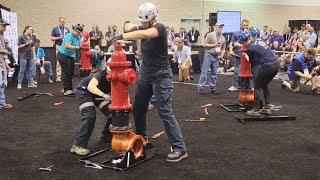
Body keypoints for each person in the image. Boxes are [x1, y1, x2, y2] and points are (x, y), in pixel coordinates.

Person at [110, 2, 187, 162]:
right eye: (141, 21)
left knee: (164, 111)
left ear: (152, 19)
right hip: (145, 74)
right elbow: (129, 25)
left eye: (145, 21)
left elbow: (145, 34)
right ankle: (143, 140)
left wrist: (122, 36)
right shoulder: (141, 27)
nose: (142, 24)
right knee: (138, 109)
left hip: (161, 75)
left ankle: (180, 148)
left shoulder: (159, 29)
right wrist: (127, 25)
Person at [70, 49, 112, 155]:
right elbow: (91, 86)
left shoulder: (118, 78)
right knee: (89, 116)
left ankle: (106, 136)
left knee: (114, 113)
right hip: (85, 91)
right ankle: (78, 145)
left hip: (98, 93)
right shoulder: (101, 74)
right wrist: (104, 95)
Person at [238, 30, 279, 116]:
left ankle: (256, 109)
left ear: (244, 41)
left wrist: (245, 55)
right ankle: (267, 108)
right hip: (275, 65)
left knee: (257, 86)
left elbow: (251, 61)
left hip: (267, 66)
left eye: (243, 43)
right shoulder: (258, 39)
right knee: (264, 85)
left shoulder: (250, 48)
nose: (243, 45)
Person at [198, 23, 226, 94]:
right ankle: (201, 87)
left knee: (214, 73)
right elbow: (204, 44)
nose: (221, 28)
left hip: (216, 56)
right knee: (204, 71)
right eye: (219, 27)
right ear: (215, 27)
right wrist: (214, 45)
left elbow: (223, 48)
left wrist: (221, 56)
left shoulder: (223, 38)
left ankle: (212, 87)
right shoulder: (210, 35)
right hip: (208, 55)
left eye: (221, 27)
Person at [57, 24, 82, 96]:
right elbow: (67, 45)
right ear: (74, 30)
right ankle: (66, 90)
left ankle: (70, 89)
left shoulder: (78, 37)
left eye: (79, 32)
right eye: (77, 32)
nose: (78, 33)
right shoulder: (68, 36)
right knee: (66, 72)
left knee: (71, 73)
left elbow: (80, 45)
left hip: (70, 56)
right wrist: (76, 47)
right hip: (63, 55)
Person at [228, 19, 249, 91]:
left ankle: (247, 86)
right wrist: (230, 50)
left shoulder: (250, 33)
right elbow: (231, 43)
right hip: (237, 54)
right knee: (237, 70)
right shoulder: (236, 33)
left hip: (247, 54)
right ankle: (234, 85)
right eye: (244, 25)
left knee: (248, 71)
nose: (245, 27)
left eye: (246, 25)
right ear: (241, 25)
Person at [51, 17, 70, 82]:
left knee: (67, 62)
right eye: (61, 22)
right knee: (59, 62)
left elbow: (70, 37)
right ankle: (58, 77)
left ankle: (67, 77)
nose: (62, 23)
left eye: (64, 22)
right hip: (59, 46)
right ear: (59, 21)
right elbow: (52, 38)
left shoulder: (67, 29)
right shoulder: (55, 29)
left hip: (66, 47)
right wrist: (59, 37)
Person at [0, 18, 12, 109]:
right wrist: (4, 51)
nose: (5, 28)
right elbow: (3, 51)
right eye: (3, 26)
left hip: (2, 64)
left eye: (5, 26)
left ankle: (2, 103)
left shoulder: (2, 36)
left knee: (3, 84)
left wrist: (6, 64)